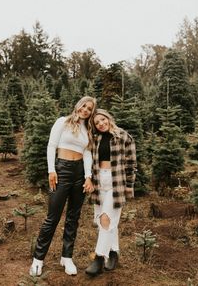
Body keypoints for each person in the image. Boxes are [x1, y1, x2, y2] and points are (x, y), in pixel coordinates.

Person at [30, 96, 96, 277]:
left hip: (79, 173)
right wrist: (52, 170)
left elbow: (88, 153)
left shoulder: (87, 129)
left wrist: (88, 176)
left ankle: (66, 257)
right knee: (53, 217)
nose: (85, 110)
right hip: (62, 169)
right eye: (84, 106)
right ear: (78, 105)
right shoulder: (62, 122)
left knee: (73, 217)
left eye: (89, 109)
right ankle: (38, 259)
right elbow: (51, 146)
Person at [85, 108, 137, 276]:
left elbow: (131, 163)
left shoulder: (123, 136)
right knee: (103, 221)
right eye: (97, 122)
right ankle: (114, 253)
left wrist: (129, 185)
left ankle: (99, 258)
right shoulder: (95, 138)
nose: (101, 124)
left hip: (116, 182)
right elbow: (89, 160)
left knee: (107, 218)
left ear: (108, 118)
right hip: (99, 181)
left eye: (103, 119)